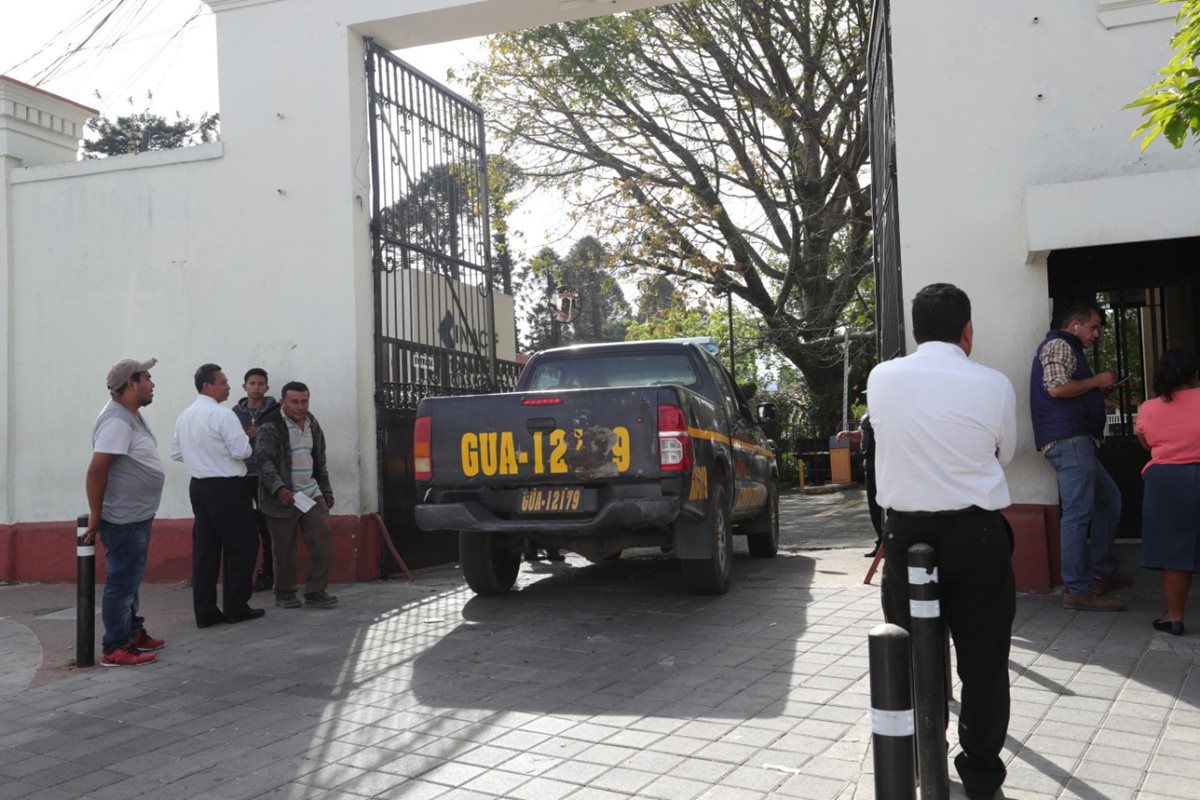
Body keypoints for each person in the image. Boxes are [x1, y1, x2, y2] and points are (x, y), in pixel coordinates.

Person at [868, 283, 1017, 800]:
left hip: (905, 533)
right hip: (976, 535)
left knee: (907, 654)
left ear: (914, 330)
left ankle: (911, 758)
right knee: (984, 660)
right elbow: (1005, 453)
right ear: (967, 331)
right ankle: (979, 775)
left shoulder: (881, 377)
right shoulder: (993, 384)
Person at [1029, 300, 1127, 611]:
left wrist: (1093, 392)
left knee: (1107, 500)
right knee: (1078, 513)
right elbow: (1056, 388)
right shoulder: (1059, 344)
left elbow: (1065, 388)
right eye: (1094, 326)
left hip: (1075, 440)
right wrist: (1096, 381)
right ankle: (1078, 590)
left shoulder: (1067, 348)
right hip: (1070, 441)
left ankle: (1103, 573)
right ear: (1075, 324)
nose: (1097, 333)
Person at [84, 358, 167, 667]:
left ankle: (132, 632)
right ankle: (115, 647)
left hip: (136, 515)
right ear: (130, 383)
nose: (152, 383)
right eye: (147, 377)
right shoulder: (117, 421)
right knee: (122, 581)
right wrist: (95, 514)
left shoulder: (130, 415)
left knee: (131, 579)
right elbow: (97, 470)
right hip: (123, 518)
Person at [171, 363, 264, 627]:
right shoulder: (223, 415)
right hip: (227, 487)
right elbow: (242, 452)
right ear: (207, 386)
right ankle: (236, 607)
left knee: (205, 551)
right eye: (223, 382)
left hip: (199, 487)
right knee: (243, 546)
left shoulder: (185, 415)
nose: (228, 386)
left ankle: (206, 612)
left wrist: (202, 456)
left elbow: (176, 453)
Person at [254, 381, 338, 609]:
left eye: (304, 401)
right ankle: (284, 593)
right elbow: (264, 461)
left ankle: (315, 591)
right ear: (283, 402)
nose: (300, 406)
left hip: (310, 492)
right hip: (281, 497)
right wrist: (279, 488)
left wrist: (326, 488)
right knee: (284, 549)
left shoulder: (313, 423)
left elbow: (319, 458)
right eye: (295, 402)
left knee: (321, 540)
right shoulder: (270, 426)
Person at [1135, 348, 1200, 636]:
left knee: (1176, 551)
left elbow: (1146, 444)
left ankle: (1174, 617)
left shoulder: (1149, 408)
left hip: (1166, 481)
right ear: (1194, 374)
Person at [232, 368, 279, 592]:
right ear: (245, 387)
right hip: (242, 475)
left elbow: (281, 434)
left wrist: (259, 431)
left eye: (261, 383)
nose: (256, 387)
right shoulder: (233, 413)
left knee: (267, 526)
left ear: (266, 388)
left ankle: (269, 571)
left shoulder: (275, 410)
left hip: (267, 476)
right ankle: (244, 574)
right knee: (244, 527)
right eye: (252, 383)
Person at [836, 411, 884, 557]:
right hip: (869, 463)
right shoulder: (867, 415)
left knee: (886, 506)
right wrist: (848, 434)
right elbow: (863, 434)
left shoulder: (885, 411)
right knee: (874, 505)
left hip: (883, 462)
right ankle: (881, 543)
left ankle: (890, 543)